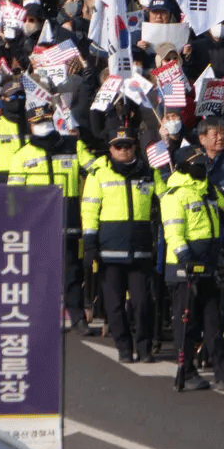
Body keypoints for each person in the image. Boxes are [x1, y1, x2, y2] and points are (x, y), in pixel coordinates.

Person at [160, 147, 224, 391]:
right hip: (183, 267)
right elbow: (173, 232)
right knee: (187, 322)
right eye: (196, 163)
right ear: (183, 167)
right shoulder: (175, 196)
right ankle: (187, 370)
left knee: (214, 321)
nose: (202, 167)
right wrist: (184, 256)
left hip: (207, 263)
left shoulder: (208, 189)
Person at [81, 131, 159, 363]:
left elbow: (166, 195)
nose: (123, 150)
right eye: (118, 146)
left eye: (127, 146)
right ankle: (124, 347)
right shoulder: (99, 174)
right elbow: (90, 210)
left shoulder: (148, 173)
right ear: (111, 149)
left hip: (141, 250)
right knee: (114, 306)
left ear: (135, 148)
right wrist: (90, 245)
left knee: (143, 303)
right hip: (110, 251)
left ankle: (144, 348)